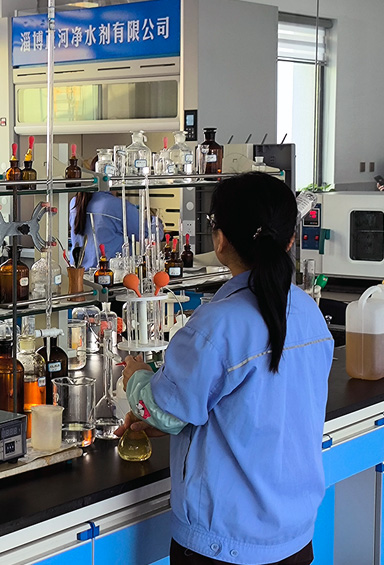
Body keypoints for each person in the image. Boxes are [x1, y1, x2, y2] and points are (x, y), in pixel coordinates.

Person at [117, 172, 333, 565]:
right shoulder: (309, 313)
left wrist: (136, 378)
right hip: (294, 542)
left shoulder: (215, 325)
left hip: (223, 548)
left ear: (220, 241)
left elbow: (163, 411)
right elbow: (257, 408)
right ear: (289, 240)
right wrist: (179, 421)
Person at [69, 191, 160, 269]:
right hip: (110, 275)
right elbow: (149, 235)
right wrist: (154, 219)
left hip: (80, 275)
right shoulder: (118, 206)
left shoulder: (75, 201)